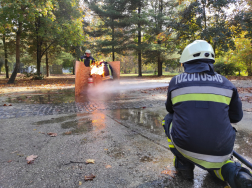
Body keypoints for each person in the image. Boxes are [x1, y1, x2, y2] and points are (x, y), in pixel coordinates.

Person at [163, 40, 252, 188]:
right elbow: (236, 117)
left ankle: (184, 165)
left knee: (168, 119)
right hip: (221, 149)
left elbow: (170, 109)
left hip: (186, 146)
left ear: (185, 63)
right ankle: (237, 175)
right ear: (211, 62)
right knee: (221, 166)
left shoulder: (176, 82)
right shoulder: (227, 84)